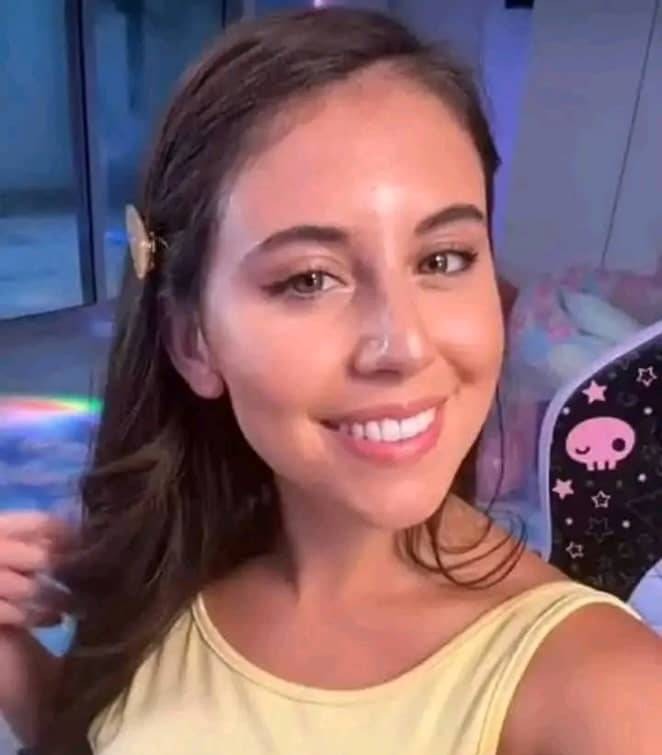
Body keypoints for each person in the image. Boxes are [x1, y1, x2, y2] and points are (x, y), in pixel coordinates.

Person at [0, 7, 660, 754]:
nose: (403, 346)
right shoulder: (169, 559)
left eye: (442, 259)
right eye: (310, 278)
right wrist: (15, 661)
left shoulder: (607, 698)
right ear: (194, 341)